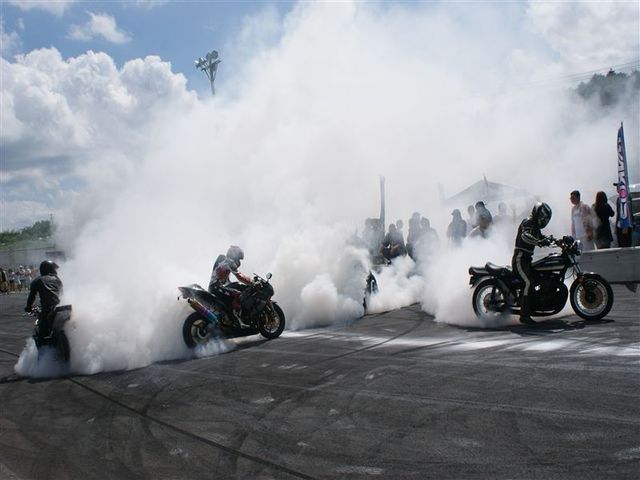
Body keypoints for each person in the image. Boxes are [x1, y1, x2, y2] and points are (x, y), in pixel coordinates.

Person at [512, 202, 553, 325]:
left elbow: (540, 237)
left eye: (545, 218)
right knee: (528, 282)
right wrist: (538, 242)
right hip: (520, 259)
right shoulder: (528, 222)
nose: (543, 220)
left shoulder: (535, 226)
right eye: (543, 217)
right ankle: (524, 315)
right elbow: (525, 236)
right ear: (537, 213)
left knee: (538, 278)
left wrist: (551, 240)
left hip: (527, 260)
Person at [209, 245, 253, 327]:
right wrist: (251, 282)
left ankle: (228, 317)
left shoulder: (222, 260)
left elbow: (225, 280)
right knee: (237, 294)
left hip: (215, 287)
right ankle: (238, 320)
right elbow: (240, 277)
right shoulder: (229, 262)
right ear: (234, 255)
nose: (239, 261)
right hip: (216, 287)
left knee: (234, 288)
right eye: (238, 258)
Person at [25, 260, 63, 341]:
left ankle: (43, 346)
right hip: (60, 308)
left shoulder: (37, 281)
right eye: (54, 269)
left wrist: (28, 307)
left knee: (42, 337)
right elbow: (62, 294)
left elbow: (32, 297)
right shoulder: (57, 280)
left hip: (48, 310)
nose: (56, 271)